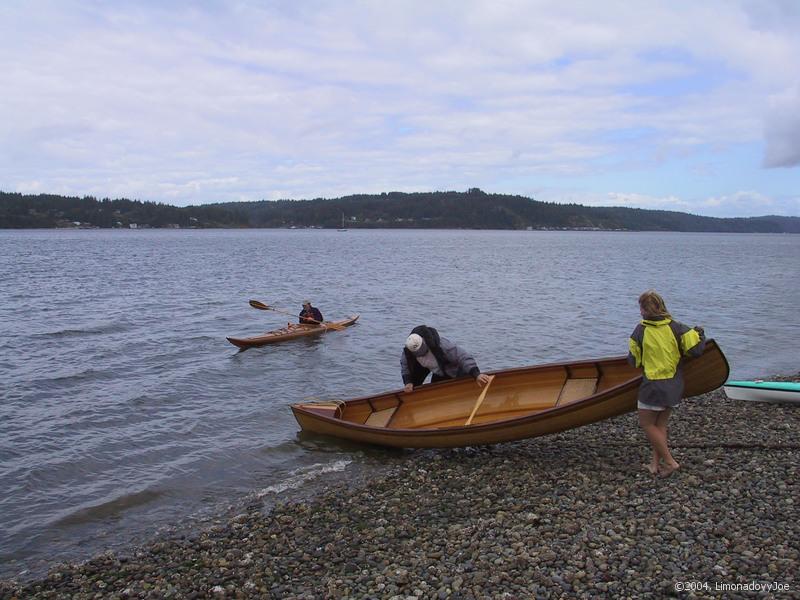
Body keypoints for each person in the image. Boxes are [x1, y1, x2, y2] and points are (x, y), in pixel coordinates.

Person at [627, 290, 706, 477]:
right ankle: (654, 465)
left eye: (641, 308)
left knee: (647, 425)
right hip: (674, 385)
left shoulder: (641, 331)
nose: (640, 312)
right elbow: (695, 349)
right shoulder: (677, 328)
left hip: (653, 386)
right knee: (660, 425)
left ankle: (670, 462)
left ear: (645, 310)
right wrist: (700, 333)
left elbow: (634, 361)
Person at [401, 325, 491, 392]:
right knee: (430, 390)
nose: (418, 354)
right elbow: (405, 367)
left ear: (424, 343)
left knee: (463, 385)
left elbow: (463, 356)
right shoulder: (408, 351)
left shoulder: (442, 346)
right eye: (415, 352)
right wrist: (408, 382)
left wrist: (477, 374)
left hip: (453, 369)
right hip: (436, 371)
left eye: (420, 350)